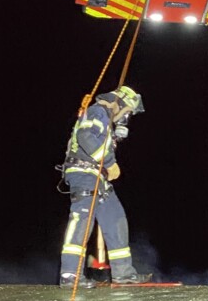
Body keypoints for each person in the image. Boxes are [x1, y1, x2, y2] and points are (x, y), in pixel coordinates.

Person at [58, 85, 152, 288]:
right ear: (121, 103)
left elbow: (98, 140)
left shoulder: (106, 119)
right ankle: (70, 276)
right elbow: (85, 137)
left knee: (115, 217)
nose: (126, 117)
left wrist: (115, 138)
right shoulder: (98, 111)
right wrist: (109, 162)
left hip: (98, 178)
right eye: (127, 111)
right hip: (84, 174)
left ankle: (123, 274)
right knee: (82, 221)